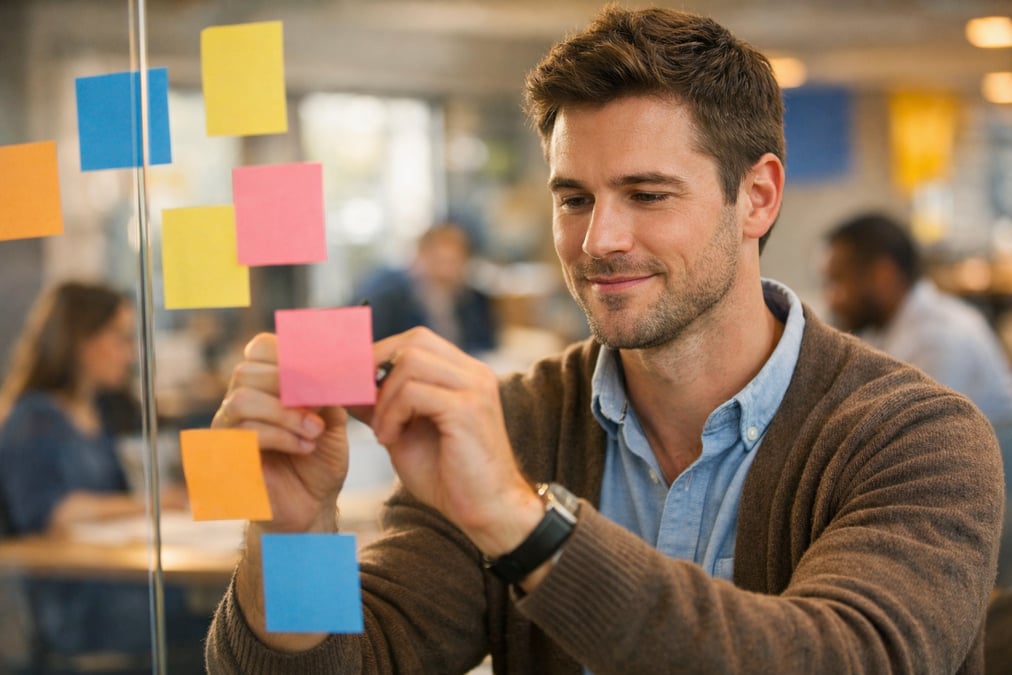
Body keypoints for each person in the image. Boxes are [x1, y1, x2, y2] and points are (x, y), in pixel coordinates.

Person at [206, 7, 1002, 674]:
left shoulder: (918, 435)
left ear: (756, 197)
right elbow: (353, 661)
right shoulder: (512, 425)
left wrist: (524, 526)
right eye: (576, 198)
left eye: (647, 194)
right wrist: (291, 530)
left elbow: (839, 658)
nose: (599, 240)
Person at [0, 281, 201, 670]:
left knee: (215, 619)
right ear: (81, 340)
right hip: (79, 603)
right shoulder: (34, 418)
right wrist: (152, 504)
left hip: (123, 582)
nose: (129, 353)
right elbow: (54, 513)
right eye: (120, 337)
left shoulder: (100, 411)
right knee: (210, 632)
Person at [822, 211, 1012, 427]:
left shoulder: (939, 338)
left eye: (838, 282)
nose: (831, 299)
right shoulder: (883, 328)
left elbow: (913, 433)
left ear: (883, 275)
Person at [354, 222, 498, 354]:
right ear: (422, 256)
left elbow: (485, 344)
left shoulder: (474, 300)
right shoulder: (393, 300)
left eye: (453, 261)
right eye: (440, 261)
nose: (446, 271)